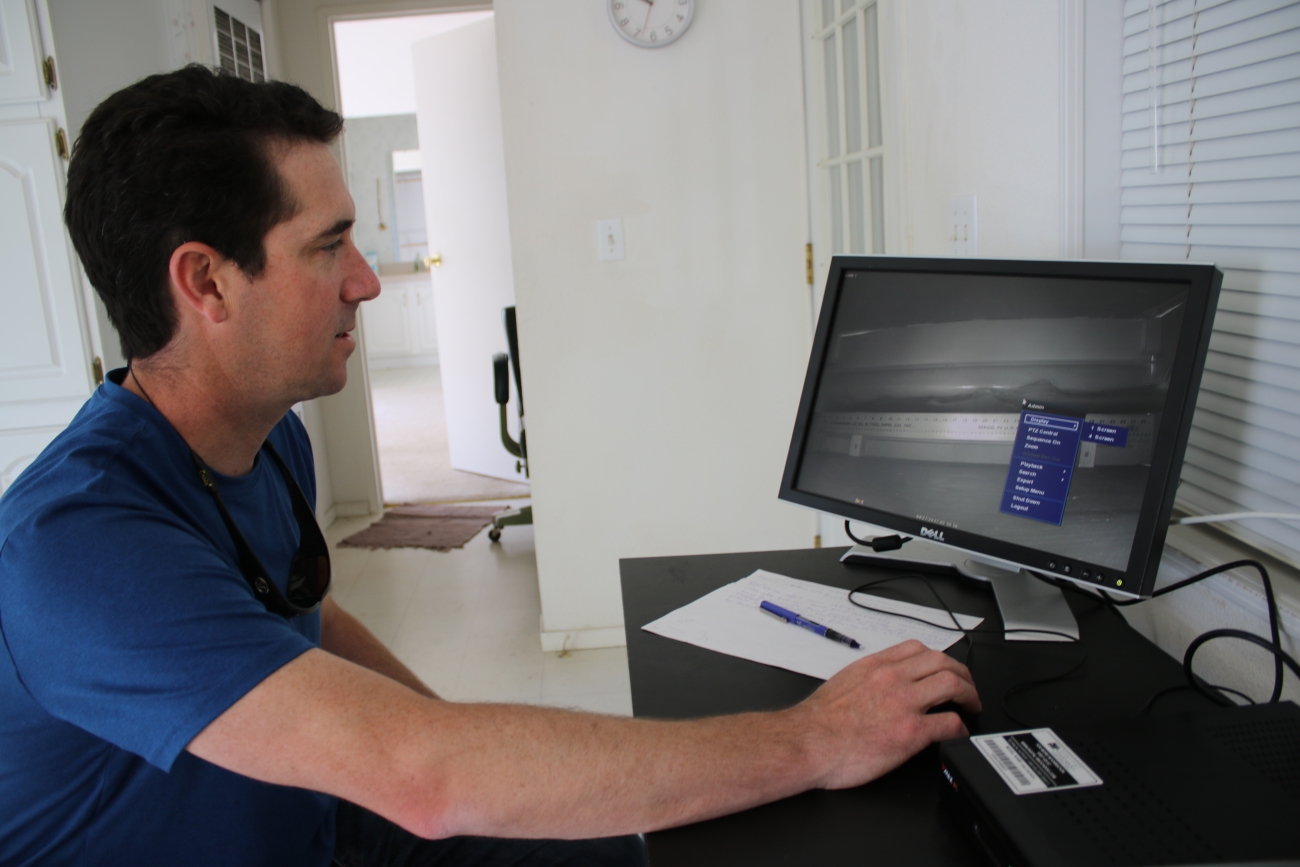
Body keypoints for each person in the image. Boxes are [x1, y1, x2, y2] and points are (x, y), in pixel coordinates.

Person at [0, 66, 980, 866]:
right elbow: (423, 778)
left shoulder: (265, 438)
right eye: (328, 246)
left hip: (323, 821)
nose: (366, 281)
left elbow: (310, 618)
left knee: (636, 846)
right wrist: (814, 738)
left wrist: (454, 743)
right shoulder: (78, 547)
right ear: (206, 281)